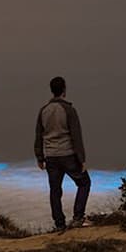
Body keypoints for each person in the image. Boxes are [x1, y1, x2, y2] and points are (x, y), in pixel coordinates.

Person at [34, 76, 91, 232]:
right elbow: (76, 136)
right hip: (68, 154)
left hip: (51, 156)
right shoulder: (69, 110)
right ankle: (78, 218)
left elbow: (38, 134)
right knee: (85, 183)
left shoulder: (43, 110)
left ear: (52, 90)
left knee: (55, 190)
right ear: (64, 90)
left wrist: (39, 157)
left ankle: (59, 224)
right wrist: (82, 159)